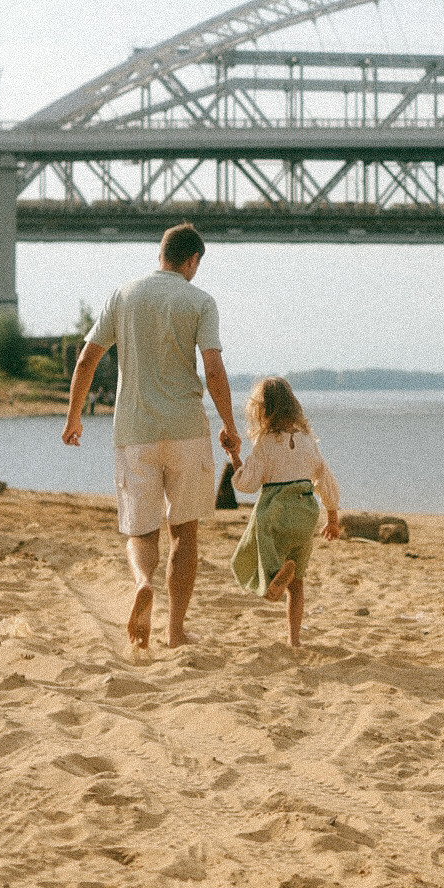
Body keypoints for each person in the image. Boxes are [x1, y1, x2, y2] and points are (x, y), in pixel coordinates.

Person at [62, 223, 242, 651]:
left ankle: (144, 582)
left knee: (141, 530)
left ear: (159, 253)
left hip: (134, 431)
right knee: (184, 531)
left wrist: (73, 417)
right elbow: (214, 371)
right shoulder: (199, 301)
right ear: (192, 260)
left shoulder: (123, 296)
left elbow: (87, 359)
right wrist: (230, 427)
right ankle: (175, 630)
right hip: (185, 429)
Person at [230, 378, 341, 647]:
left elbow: (247, 484)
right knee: (298, 582)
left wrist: (235, 456)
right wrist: (333, 518)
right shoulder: (306, 441)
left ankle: (273, 576)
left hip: (275, 515)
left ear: (262, 410)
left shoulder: (266, 443)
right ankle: (294, 639)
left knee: (254, 558)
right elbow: (325, 479)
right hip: (304, 514)